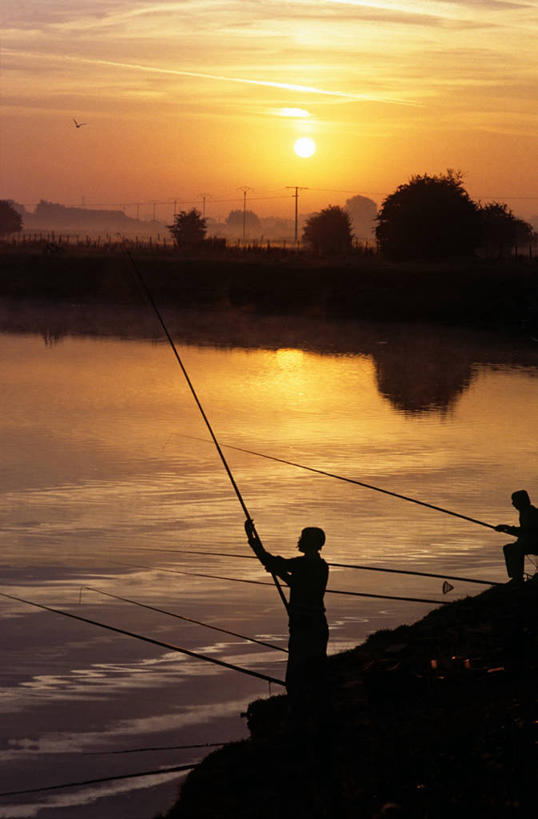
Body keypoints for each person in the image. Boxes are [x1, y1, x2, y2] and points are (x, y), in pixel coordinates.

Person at [244, 520, 329, 720]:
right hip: (318, 624)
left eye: (302, 538)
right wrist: (281, 573)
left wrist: (251, 538)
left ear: (308, 543)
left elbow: (268, 560)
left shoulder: (301, 564)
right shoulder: (322, 566)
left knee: (296, 675)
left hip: (303, 625)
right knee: (316, 673)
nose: (298, 541)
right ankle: (316, 715)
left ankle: (299, 719)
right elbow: (298, 583)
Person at [495, 490, 538, 582]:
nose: (513, 503)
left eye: (514, 501)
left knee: (512, 549)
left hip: (535, 543)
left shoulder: (530, 513)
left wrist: (507, 528)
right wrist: (506, 528)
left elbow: (527, 531)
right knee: (509, 548)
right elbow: (524, 532)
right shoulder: (524, 512)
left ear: (521, 501)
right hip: (531, 541)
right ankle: (516, 577)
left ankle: (517, 578)